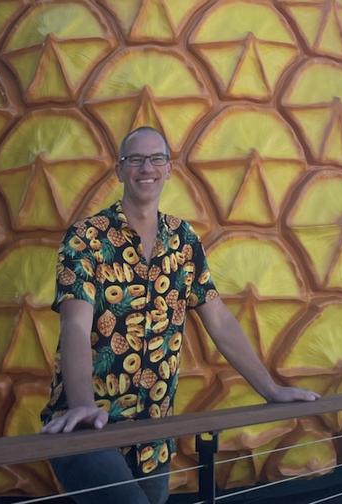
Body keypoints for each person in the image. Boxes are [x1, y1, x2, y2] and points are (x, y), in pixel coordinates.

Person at [41, 126, 318, 504]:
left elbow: (218, 320)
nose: (146, 168)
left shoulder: (184, 240)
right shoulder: (86, 238)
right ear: (120, 170)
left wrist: (270, 389)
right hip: (90, 425)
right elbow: (75, 323)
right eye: (135, 159)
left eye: (156, 159)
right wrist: (83, 405)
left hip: (154, 434)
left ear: (169, 169)